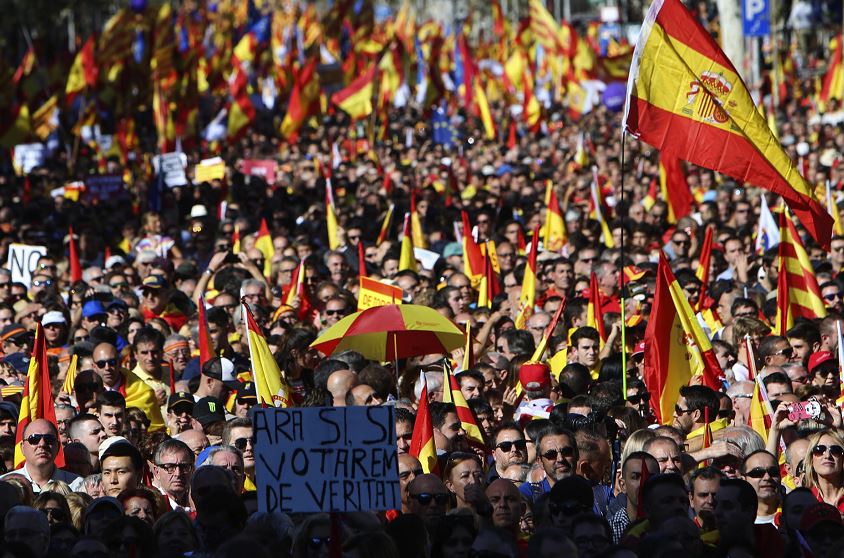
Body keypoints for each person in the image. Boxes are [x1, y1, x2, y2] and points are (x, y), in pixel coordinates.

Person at [4, 419, 84, 492]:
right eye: (34, 439)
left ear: (58, 447)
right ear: (22, 448)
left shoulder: (78, 486)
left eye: (49, 439)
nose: (42, 444)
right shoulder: (4, 484)